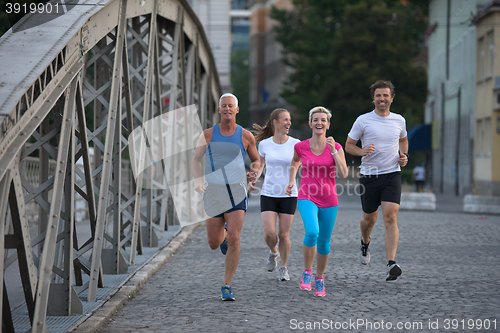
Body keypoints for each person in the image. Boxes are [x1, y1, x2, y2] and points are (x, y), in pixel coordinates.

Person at [192, 93, 260, 301]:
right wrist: (197, 180)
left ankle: (227, 285)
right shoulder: (208, 134)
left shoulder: (246, 136)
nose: (228, 109)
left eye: (231, 106)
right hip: (213, 192)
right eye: (224, 106)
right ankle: (222, 238)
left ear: (237, 110)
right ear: (219, 110)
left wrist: (254, 172)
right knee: (214, 243)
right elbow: (195, 160)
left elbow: (256, 160)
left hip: (236, 191)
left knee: (235, 238)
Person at [345, 80, 409, 281]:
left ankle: (391, 263)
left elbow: (403, 140)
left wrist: (404, 155)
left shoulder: (399, 120)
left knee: (390, 216)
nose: (382, 99)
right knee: (369, 219)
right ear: (373, 98)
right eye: (378, 95)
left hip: (392, 174)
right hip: (369, 175)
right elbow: (349, 145)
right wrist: (362, 151)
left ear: (392, 98)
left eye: (386, 95)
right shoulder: (363, 120)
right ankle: (365, 242)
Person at [286, 107, 348, 297]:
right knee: (312, 232)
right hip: (307, 196)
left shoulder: (336, 147)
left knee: (324, 243)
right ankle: (307, 272)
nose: (319, 123)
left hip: (329, 199)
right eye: (315, 120)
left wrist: (334, 152)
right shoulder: (301, 146)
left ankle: (319, 279)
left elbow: (344, 174)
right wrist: (291, 180)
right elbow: (295, 161)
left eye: (323, 120)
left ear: (328, 124)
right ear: (310, 123)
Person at [251, 108, 300, 281]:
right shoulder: (264, 144)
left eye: (290, 120)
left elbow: (297, 164)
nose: (289, 123)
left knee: (283, 235)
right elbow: (260, 164)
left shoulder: (296, 143)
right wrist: (254, 177)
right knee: (269, 234)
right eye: (285, 120)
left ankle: (284, 268)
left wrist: (291, 181)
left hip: (289, 194)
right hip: (269, 193)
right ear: (275, 122)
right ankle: (273, 252)